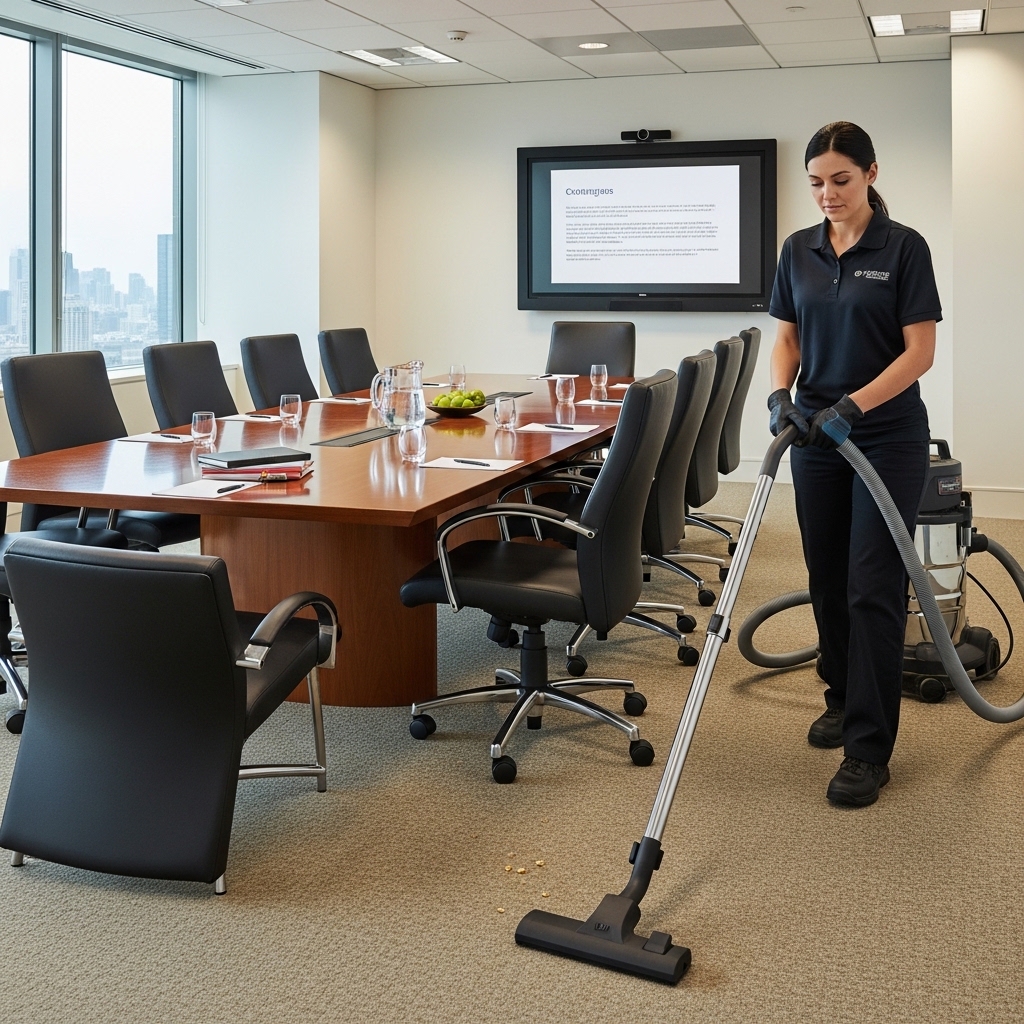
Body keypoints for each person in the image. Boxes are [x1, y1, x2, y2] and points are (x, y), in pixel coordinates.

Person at [767, 121, 941, 807]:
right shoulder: (798, 250)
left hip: (884, 435)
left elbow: (918, 353)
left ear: (870, 173)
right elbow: (787, 335)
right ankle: (841, 697)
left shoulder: (904, 249)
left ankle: (869, 750)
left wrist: (857, 407)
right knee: (828, 575)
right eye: (815, 183)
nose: (827, 194)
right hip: (815, 436)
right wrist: (783, 395)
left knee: (873, 583)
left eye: (840, 180)